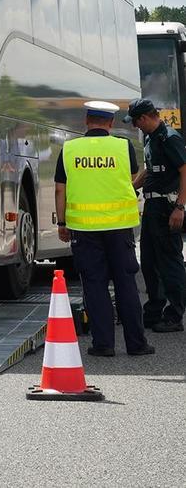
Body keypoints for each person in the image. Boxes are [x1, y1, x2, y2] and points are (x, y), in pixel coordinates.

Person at [54, 100, 154, 357]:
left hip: (84, 230)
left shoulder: (69, 149)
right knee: (126, 284)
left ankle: (103, 344)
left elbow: (60, 188)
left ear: (86, 121)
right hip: (119, 228)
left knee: (95, 285)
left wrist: (63, 223)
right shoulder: (123, 147)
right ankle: (136, 344)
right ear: (110, 123)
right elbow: (132, 178)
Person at [126, 97, 186, 333]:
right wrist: (132, 187)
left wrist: (179, 208)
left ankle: (174, 315)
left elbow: (184, 172)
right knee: (149, 263)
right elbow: (151, 170)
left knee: (170, 263)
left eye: (135, 122)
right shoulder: (151, 138)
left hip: (167, 209)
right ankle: (154, 311)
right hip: (152, 210)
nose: (135, 126)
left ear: (144, 118)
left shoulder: (169, 138)